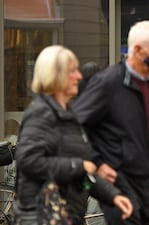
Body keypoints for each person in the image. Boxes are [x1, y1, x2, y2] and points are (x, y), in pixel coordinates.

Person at [13, 45, 133, 225]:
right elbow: (29, 161)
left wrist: (113, 196)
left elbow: (82, 175)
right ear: (55, 75)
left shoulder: (69, 115)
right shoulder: (42, 113)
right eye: (73, 71)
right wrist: (78, 165)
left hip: (66, 217)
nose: (79, 76)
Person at [73, 20, 149, 225]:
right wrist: (98, 163)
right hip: (118, 178)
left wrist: (146, 180)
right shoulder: (108, 82)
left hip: (141, 179)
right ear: (137, 50)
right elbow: (74, 125)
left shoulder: (144, 82)